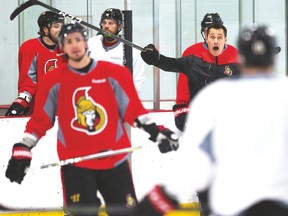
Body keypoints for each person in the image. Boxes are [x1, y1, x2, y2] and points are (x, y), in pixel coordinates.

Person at [5, 23, 179, 216]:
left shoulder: (115, 74)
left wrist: (157, 131)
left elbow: (133, 111)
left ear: (86, 42)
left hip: (114, 160)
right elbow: (40, 121)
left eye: (78, 39)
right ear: (62, 47)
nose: (75, 45)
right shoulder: (52, 81)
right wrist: (23, 147)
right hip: (75, 165)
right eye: (68, 41)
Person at [133, 24, 288, 216]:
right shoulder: (284, 91)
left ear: (240, 56)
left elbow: (196, 161)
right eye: (212, 36)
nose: (216, 40)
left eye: (220, 37)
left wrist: (161, 198)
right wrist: (156, 59)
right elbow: (171, 63)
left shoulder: (214, 96)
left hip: (230, 202)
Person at [173, 13, 232, 132]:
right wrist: (181, 110)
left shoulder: (233, 54)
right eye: (207, 31)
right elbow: (183, 86)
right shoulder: (191, 52)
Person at [5, 11, 66, 116]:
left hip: (64, 111)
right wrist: (20, 103)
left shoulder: (67, 48)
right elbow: (28, 83)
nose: (60, 30)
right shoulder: (30, 48)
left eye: (62, 26)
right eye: (56, 26)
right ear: (45, 30)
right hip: (39, 111)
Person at [88, 8, 145, 95]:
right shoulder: (91, 43)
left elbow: (137, 81)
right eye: (104, 23)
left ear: (120, 26)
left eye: (111, 23)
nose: (106, 26)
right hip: (94, 97)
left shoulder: (132, 50)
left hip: (118, 100)